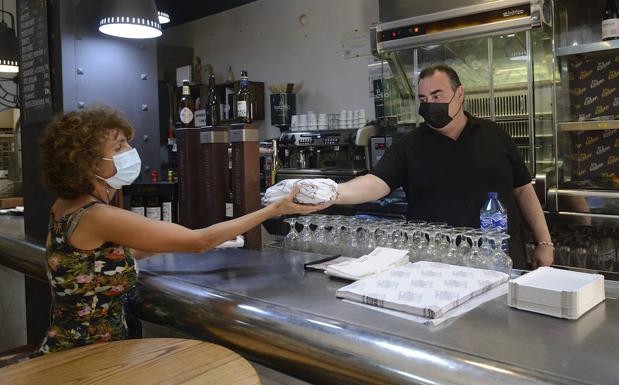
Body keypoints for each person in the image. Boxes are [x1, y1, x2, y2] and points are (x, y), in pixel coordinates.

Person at [36, 105, 325, 354]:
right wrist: (275, 209)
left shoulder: (66, 206)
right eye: (118, 147)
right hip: (86, 358)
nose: (130, 152)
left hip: (79, 344)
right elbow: (199, 241)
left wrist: (195, 243)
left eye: (127, 143)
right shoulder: (98, 215)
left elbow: (110, 255)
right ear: (86, 163)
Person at [335, 64, 553, 269]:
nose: (429, 104)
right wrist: (332, 193)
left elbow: (523, 189)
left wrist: (544, 243)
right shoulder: (409, 145)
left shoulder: (494, 135)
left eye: (437, 95)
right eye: (423, 98)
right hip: (435, 264)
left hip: (499, 259)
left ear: (460, 94)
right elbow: (376, 183)